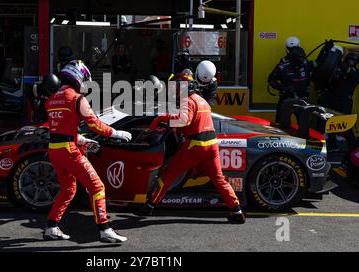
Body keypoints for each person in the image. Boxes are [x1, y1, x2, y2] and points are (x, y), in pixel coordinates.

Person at [44, 60, 132, 243]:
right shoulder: (77, 99)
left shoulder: (52, 99)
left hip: (54, 149)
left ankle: (51, 227)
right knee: (97, 187)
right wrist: (116, 132)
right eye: (84, 78)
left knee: (68, 190)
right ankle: (105, 230)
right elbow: (94, 124)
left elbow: (59, 128)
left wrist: (82, 139)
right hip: (68, 150)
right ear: (78, 76)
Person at [144, 72, 245, 224]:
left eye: (177, 87)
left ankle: (150, 205)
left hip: (196, 146)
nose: (175, 90)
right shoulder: (202, 100)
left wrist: (161, 118)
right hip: (212, 145)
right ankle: (237, 211)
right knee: (219, 180)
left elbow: (185, 120)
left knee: (168, 174)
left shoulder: (188, 101)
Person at [320, 52, 359, 150]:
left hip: (345, 102)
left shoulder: (356, 72)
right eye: (350, 60)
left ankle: (353, 147)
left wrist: (338, 61)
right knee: (332, 123)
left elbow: (349, 72)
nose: (351, 62)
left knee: (346, 125)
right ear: (346, 59)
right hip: (334, 100)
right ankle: (332, 145)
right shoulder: (339, 70)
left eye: (353, 61)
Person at [268, 46, 314, 123]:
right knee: (281, 123)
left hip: (302, 99)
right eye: (299, 59)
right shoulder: (282, 67)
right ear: (293, 59)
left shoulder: (306, 65)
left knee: (304, 123)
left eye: (303, 58)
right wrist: (283, 88)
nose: (302, 61)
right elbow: (271, 80)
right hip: (286, 99)